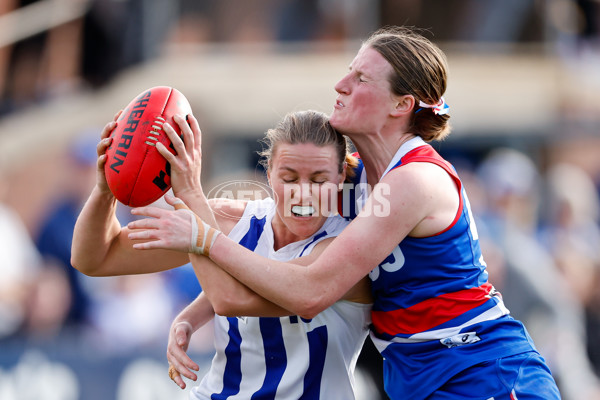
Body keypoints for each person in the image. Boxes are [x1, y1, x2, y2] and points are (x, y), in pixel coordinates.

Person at [128, 26, 562, 399]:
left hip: (481, 369)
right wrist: (194, 311)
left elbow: (309, 291)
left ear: (401, 105)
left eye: (360, 78)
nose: (340, 84)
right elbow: (270, 246)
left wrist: (205, 238)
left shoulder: (415, 180)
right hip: (421, 377)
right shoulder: (349, 176)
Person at [71, 109, 372, 399]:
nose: (303, 192)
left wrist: (191, 197)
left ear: (341, 175)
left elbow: (231, 300)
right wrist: (107, 186)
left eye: (318, 180)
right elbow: (95, 258)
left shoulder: (348, 247)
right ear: (268, 174)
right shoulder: (228, 221)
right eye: (289, 178)